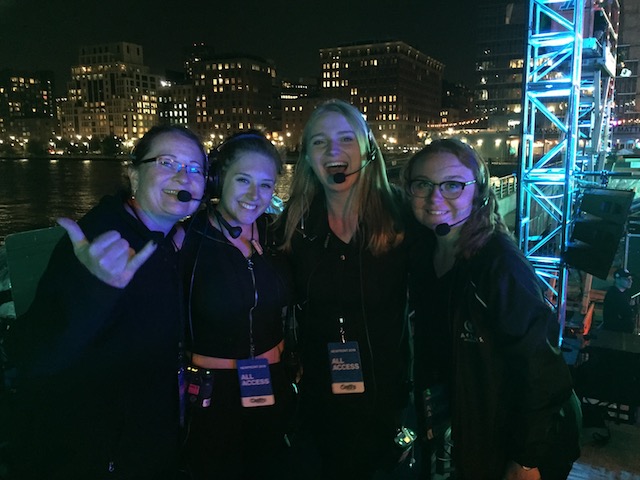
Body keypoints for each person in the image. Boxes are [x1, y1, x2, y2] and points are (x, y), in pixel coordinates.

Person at [4, 125, 207, 479]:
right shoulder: (102, 240)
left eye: (194, 168)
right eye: (167, 162)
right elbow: (34, 354)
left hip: (145, 436)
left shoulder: (164, 237)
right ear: (133, 175)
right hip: (98, 452)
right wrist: (95, 288)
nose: (183, 175)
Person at [404, 138, 581, 480]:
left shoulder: (499, 265)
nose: (435, 197)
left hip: (502, 441)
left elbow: (541, 368)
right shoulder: (425, 250)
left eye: (452, 185)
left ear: (479, 192)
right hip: (456, 427)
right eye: (423, 184)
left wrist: (527, 459)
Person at [277, 99, 413, 479]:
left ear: (368, 146)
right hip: (318, 403)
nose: (333, 151)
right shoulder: (293, 226)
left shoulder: (404, 217)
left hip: (387, 401)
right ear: (307, 156)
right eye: (319, 142)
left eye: (345, 139)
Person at [180, 131, 294, 480]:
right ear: (218, 180)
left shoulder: (277, 235)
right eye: (243, 180)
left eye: (265, 184)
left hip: (273, 383)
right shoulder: (186, 241)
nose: (254, 196)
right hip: (214, 396)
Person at [602, 267, 635, 333]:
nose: (630, 281)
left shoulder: (626, 294)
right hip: (614, 333)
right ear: (617, 280)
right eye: (626, 279)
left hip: (623, 332)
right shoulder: (613, 295)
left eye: (631, 279)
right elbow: (627, 313)